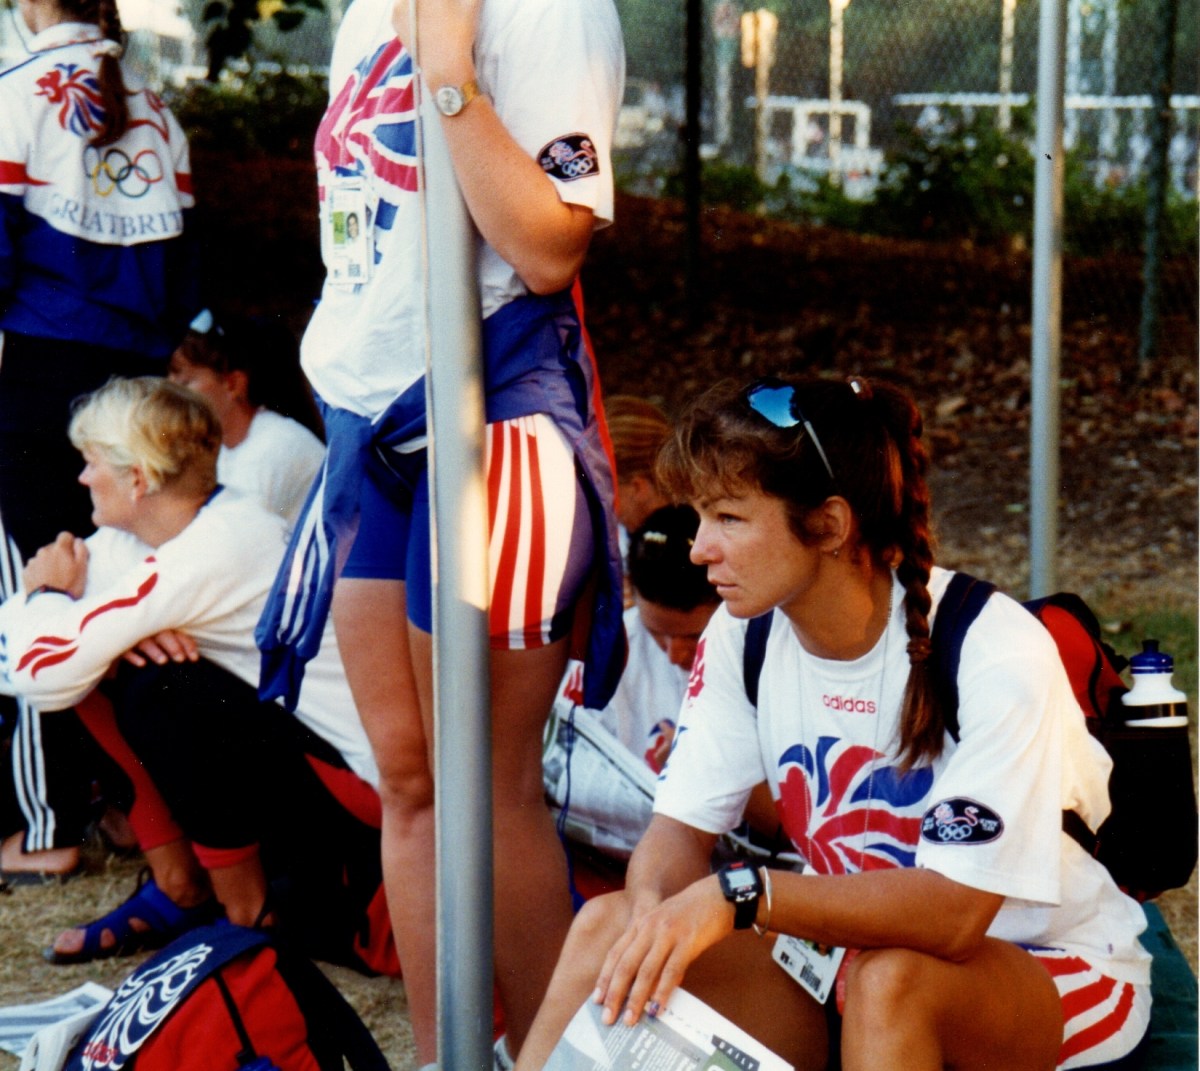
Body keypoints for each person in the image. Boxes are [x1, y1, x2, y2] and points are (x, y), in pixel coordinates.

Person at [516, 375, 1152, 1071]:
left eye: (728, 518)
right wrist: (651, 917)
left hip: (1043, 961)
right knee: (610, 926)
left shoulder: (991, 645)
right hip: (842, 956)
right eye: (699, 516)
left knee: (893, 983)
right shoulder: (742, 633)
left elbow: (954, 915)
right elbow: (676, 833)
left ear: (830, 524)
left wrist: (743, 894)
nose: (699, 549)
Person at [254, 0, 625, 1064]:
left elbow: (549, 249)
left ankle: (551, 1057)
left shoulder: (548, 13)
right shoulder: (368, 10)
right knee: (410, 780)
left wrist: (451, 73)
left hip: (494, 408)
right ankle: (440, 1057)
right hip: (371, 420)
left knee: (485, 780)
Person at [0, 378, 387, 971]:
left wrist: (47, 595)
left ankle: (247, 917)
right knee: (115, 670)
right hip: (306, 763)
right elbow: (23, 664)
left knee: (161, 690)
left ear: (138, 478)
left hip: (366, 793)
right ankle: (179, 885)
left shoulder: (226, 538)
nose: (81, 478)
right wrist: (102, 635)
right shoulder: (141, 536)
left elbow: (38, 671)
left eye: (92, 462)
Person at [0, 0, 198, 879]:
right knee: (120, 582)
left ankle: (45, 824)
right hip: (136, 380)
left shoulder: (13, 91)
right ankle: (128, 803)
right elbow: (186, 272)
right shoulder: (156, 104)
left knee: (37, 581)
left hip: (36, 372)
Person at [168, 309, 325, 531]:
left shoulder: (278, 445)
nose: (173, 397)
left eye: (185, 384)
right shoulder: (220, 448)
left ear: (233, 384)